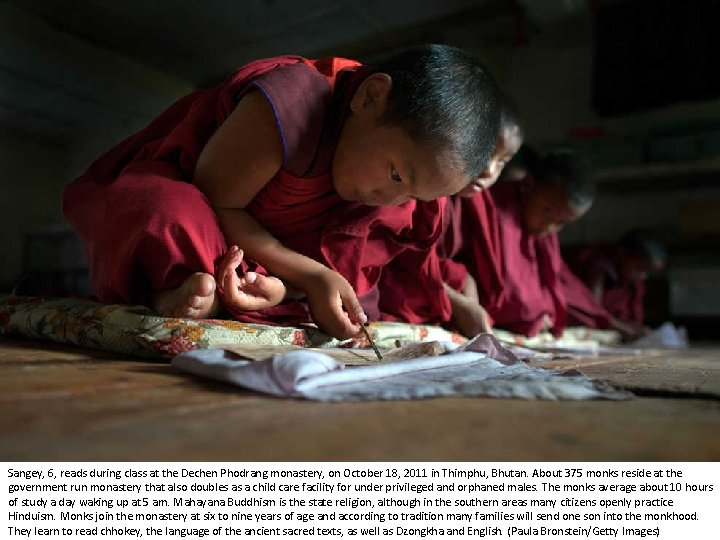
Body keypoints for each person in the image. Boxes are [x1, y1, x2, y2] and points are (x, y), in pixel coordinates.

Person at [63, 45, 501, 339]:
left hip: (268, 257)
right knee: (164, 209)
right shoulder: (289, 105)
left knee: (360, 287)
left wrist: (289, 287)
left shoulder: (394, 190)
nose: (388, 200)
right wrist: (313, 277)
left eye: (410, 196)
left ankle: (233, 296)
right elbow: (218, 202)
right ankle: (167, 290)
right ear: (370, 97)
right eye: (396, 175)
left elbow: (349, 257)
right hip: (212, 211)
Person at [435, 101, 524, 337]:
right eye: (483, 151)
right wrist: (458, 301)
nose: (489, 170)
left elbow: (470, 266)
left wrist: (467, 287)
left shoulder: (478, 202)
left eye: (502, 161)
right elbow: (400, 264)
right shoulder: (424, 188)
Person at [483, 149, 594, 337]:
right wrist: (537, 314)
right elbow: (509, 294)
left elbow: (558, 283)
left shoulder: (541, 230)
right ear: (528, 184)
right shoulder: (497, 211)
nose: (551, 227)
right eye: (548, 211)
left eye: (562, 222)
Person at [568, 228, 666, 338]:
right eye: (640, 269)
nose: (643, 276)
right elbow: (592, 312)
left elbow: (634, 319)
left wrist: (635, 328)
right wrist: (621, 327)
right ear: (622, 254)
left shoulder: (633, 284)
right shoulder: (597, 268)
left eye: (648, 272)